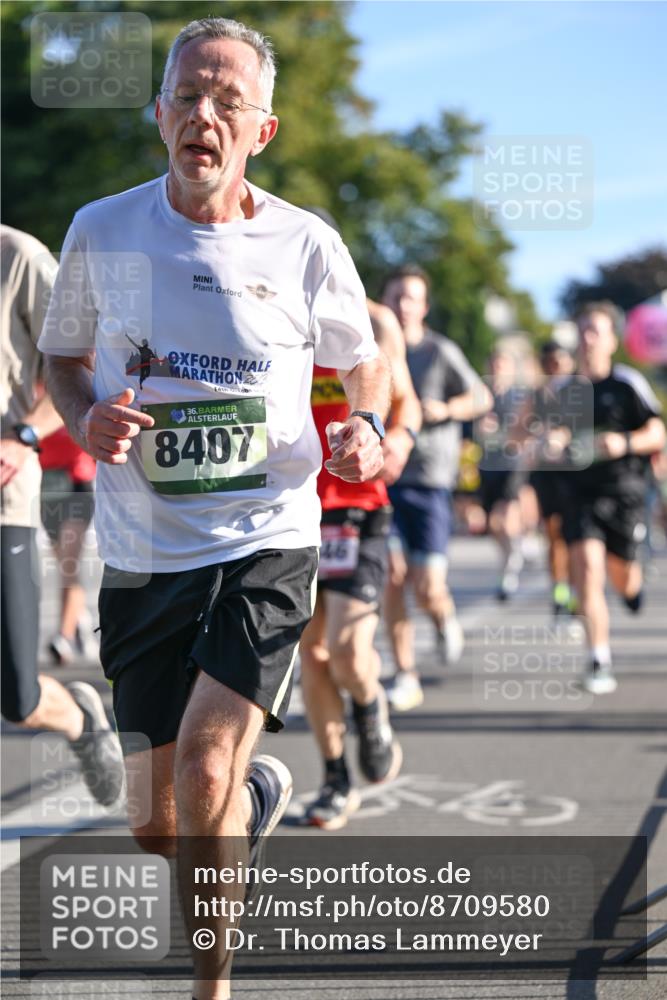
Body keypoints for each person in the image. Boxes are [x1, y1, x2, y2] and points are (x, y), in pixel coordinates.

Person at [40, 17, 390, 1000]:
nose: (203, 115)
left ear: (261, 129)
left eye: (226, 101)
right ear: (159, 112)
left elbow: (361, 356)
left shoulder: (304, 241)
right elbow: (60, 357)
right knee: (159, 819)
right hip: (144, 552)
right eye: (187, 95)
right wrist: (86, 411)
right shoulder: (102, 229)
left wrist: (362, 420)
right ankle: (259, 791)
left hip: (266, 538)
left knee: (201, 771)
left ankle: (212, 985)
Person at [1, 224, 124, 809]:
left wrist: (24, 435)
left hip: (7, 499)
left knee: (16, 696)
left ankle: (77, 715)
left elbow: (82, 362)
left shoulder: (19, 257)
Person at [300, 295, 422, 829]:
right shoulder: (260, 307)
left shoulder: (374, 321)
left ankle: (370, 708)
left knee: (349, 650)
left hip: (358, 507)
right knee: (313, 654)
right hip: (296, 510)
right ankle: (334, 778)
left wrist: (400, 437)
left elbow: (408, 402)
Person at [381, 266, 492, 711]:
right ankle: (405, 672)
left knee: (427, 584)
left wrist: (444, 408)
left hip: (428, 480)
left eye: (412, 298)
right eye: (396, 296)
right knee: (392, 577)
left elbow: (480, 397)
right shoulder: (368, 349)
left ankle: (443, 616)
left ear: (423, 307)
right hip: (384, 479)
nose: (403, 305)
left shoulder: (439, 351)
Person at [558, 302, 665, 693]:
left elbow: (658, 434)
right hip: (580, 495)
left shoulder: (627, 383)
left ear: (612, 340)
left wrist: (623, 441)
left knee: (623, 579)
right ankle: (598, 659)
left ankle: (632, 590)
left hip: (625, 495)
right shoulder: (565, 390)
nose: (587, 338)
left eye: (596, 331)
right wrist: (552, 443)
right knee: (586, 569)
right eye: (582, 330)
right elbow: (540, 437)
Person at [476, 342, 533, 601]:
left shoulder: (520, 398)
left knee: (503, 520)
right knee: (494, 526)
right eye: (495, 365)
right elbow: (470, 433)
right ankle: (513, 553)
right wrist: (479, 428)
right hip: (487, 467)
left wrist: (504, 433)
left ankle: (508, 574)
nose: (498, 370)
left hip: (512, 465)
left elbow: (527, 431)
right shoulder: (481, 396)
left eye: (503, 365)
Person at [39, 424, 98, 663]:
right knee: (63, 563)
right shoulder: (29, 401)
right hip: (47, 491)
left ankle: (62, 637)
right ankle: (79, 618)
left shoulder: (74, 398)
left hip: (77, 488)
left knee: (68, 567)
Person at [526, 341, 576, 616]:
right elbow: (518, 431)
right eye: (548, 362)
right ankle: (560, 589)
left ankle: (577, 586)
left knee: (577, 536)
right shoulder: (537, 395)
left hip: (578, 475)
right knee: (554, 532)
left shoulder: (581, 390)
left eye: (558, 361)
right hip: (547, 473)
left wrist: (564, 436)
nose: (554, 367)